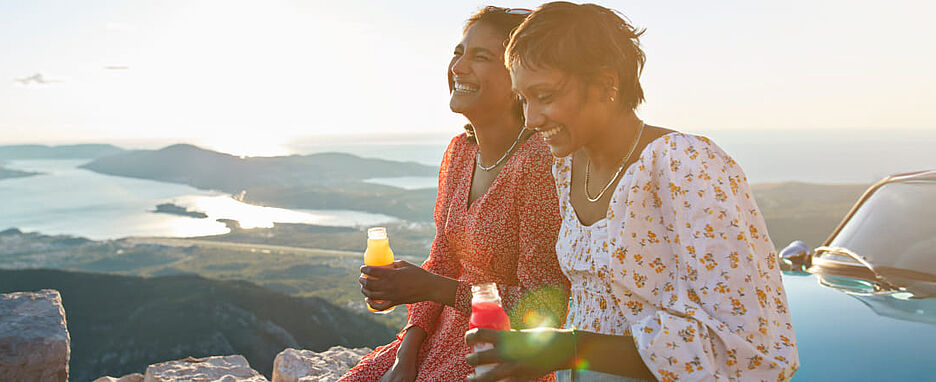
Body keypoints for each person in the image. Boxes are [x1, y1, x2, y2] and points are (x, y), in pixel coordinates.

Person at [464, 2, 799, 381]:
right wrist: (539, 361)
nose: (531, 119)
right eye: (523, 99)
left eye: (545, 95)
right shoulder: (566, 166)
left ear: (607, 85)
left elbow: (745, 346)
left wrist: (570, 348)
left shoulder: (684, 164)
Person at [339, 6, 570, 382]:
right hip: (434, 339)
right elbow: (443, 259)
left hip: (500, 356)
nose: (459, 67)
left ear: (521, 78)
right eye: (459, 52)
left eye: (480, 56)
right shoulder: (461, 152)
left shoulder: (539, 163)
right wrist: (406, 354)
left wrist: (431, 287)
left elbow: (542, 306)